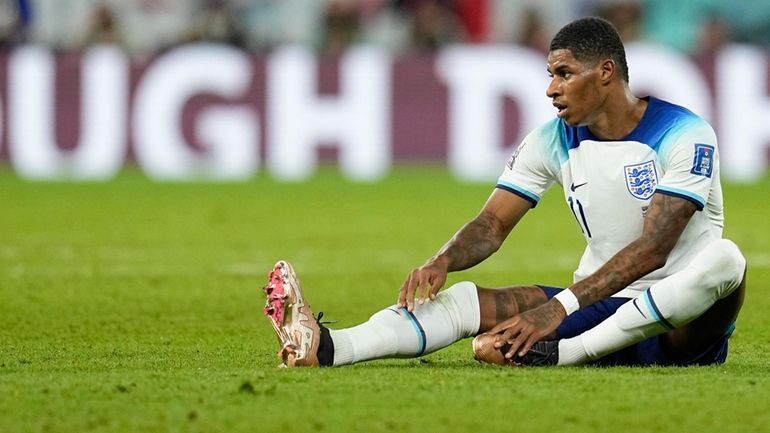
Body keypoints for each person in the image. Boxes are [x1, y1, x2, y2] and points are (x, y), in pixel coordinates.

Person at [261, 16, 747, 368]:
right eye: (549, 75)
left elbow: (653, 250)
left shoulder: (685, 133)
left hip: (683, 321)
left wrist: (557, 309)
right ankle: (326, 347)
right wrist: (443, 260)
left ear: (605, 72)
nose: (551, 89)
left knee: (726, 260)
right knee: (466, 300)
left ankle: (564, 355)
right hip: (599, 305)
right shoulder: (552, 139)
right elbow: (492, 224)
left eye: (564, 73)